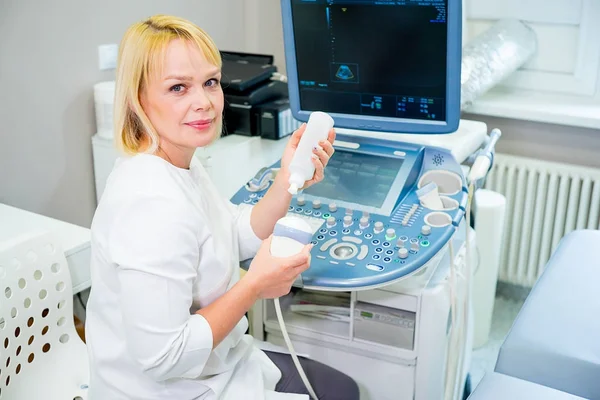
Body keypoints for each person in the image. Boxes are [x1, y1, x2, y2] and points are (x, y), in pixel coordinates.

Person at [85, 14, 360, 400]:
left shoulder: (180, 161)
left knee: (342, 388)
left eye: (210, 82)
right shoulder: (149, 203)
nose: (205, 103)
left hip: (222, 367)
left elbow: (231, 234)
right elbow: (165, 357)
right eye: (178, 87)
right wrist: (254, 286)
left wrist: (286, 180)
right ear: (138, 98)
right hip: (171, 389)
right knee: (342, 392)